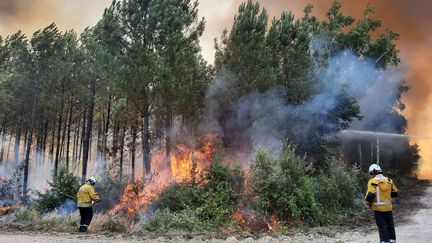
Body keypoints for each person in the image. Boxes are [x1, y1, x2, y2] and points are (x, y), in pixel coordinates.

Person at [365, 164, 398, 243]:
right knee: (390, 226)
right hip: (388, 208)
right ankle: (392, 241)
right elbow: (395, 194)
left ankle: (384, 241)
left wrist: (367, 203)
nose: (371, 176)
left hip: (378, 210)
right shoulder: (389, 180)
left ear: (373, 172)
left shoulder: (373, 181)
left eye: (371, 174)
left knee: (382, 227)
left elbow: (370, 196)